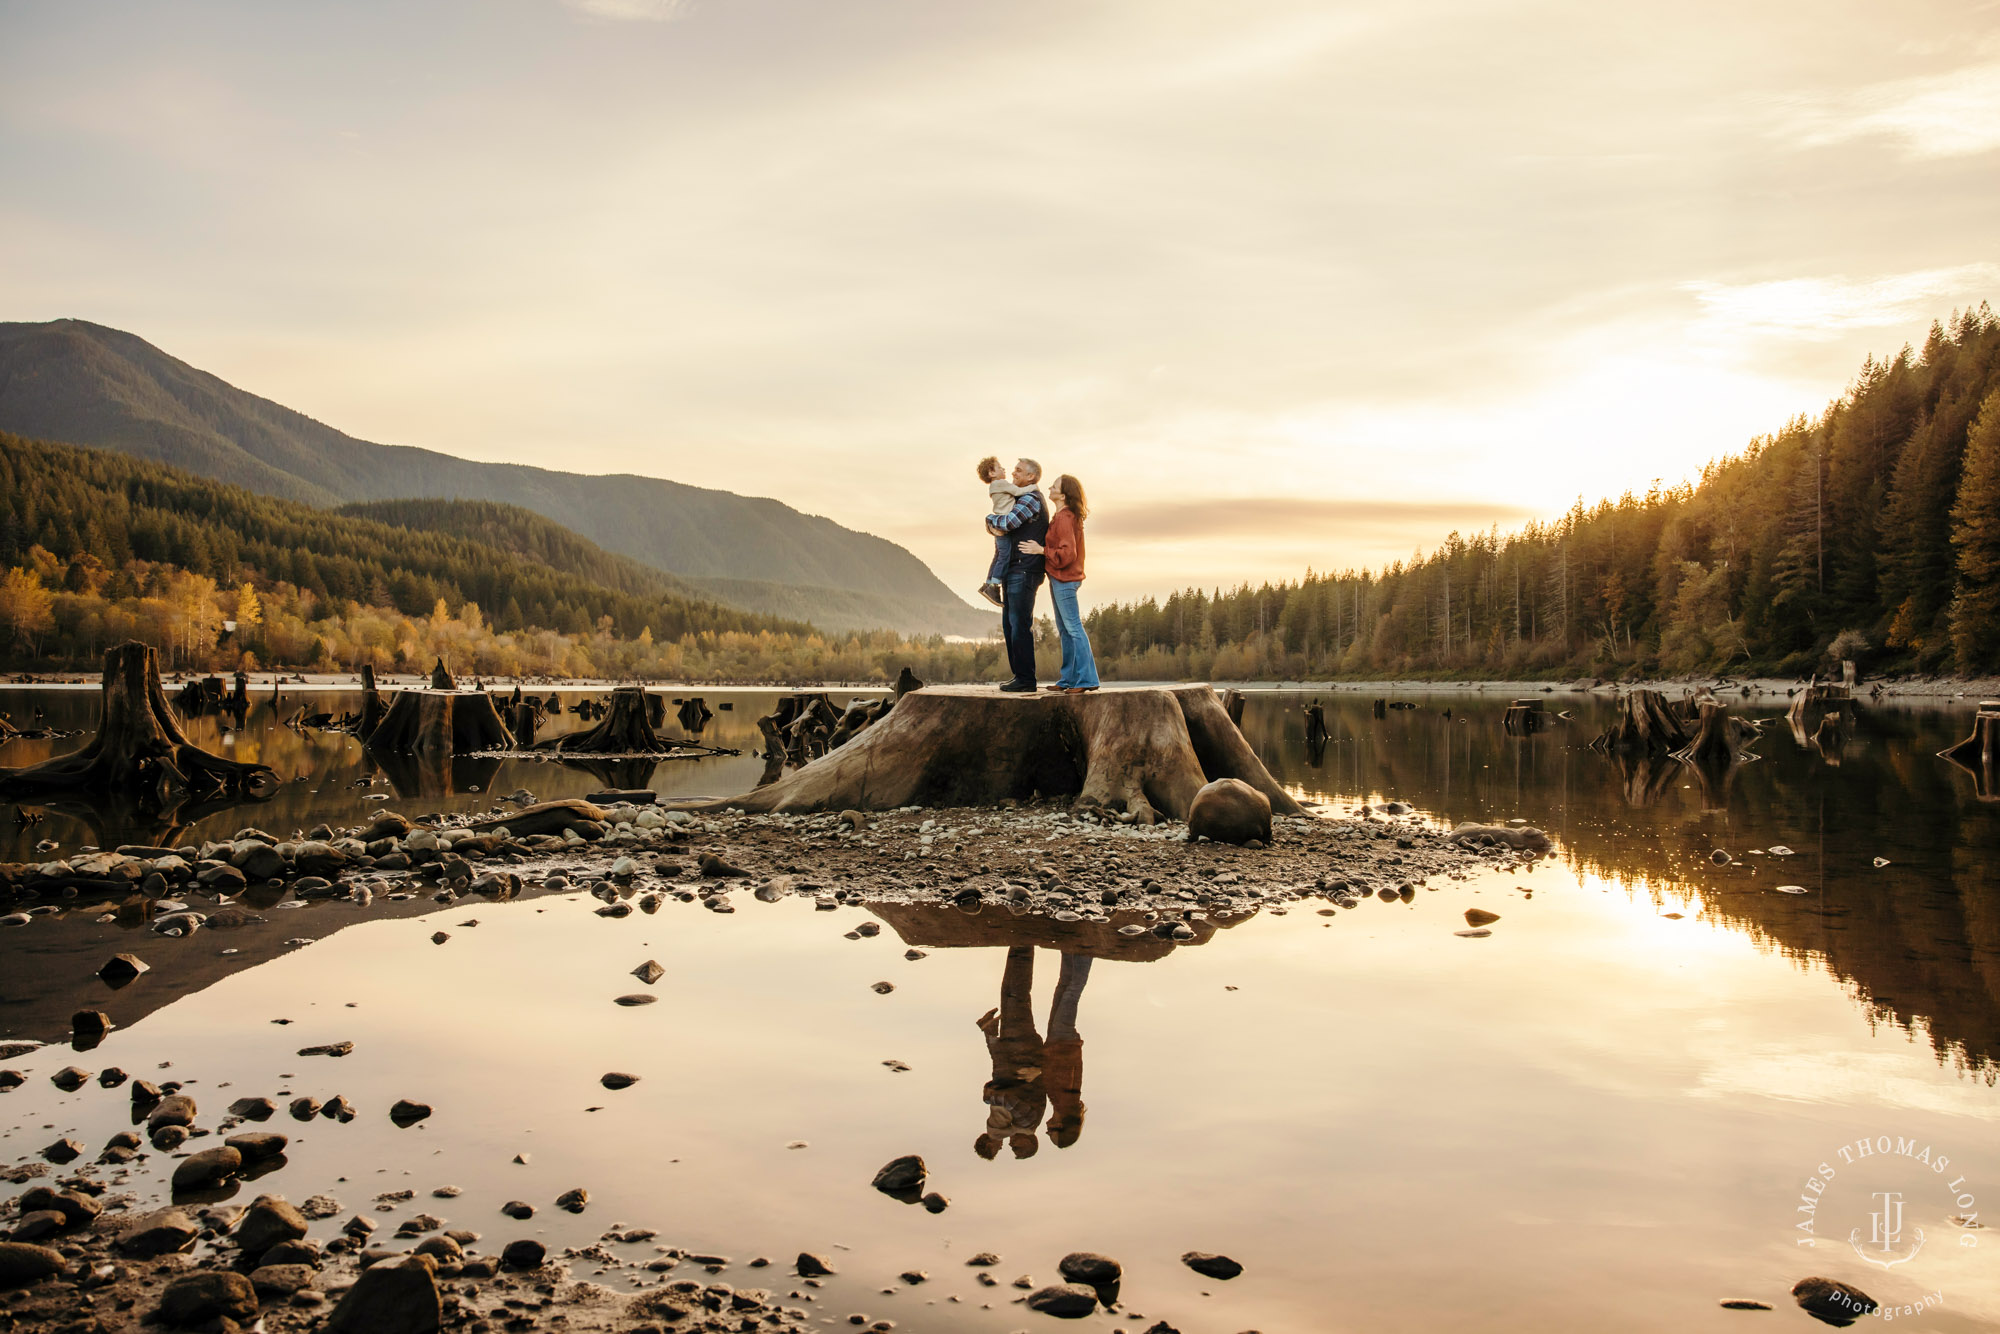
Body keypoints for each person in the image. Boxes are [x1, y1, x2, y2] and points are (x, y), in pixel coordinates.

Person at [1018, 474, 1098, 694]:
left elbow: (1068, 553)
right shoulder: (1063, 516)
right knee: (1064, 630)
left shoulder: (1065, 518)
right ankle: (1069, 679)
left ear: (1063, 495)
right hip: (1060, 578)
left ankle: (1086, 679)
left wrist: (1041, 550)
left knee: (1073, 628)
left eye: (1054, 486)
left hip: (1065, 579)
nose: (1050, 488)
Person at [986, 458, 1047, 693]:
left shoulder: (1031, 499)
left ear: (1031, 477)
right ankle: (1019, 676)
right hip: (1015, 569)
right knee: (1010, 625)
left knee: (1019, 624)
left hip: (1025, 569)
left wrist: (989, 520)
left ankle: (1026, 679)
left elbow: (1008, 523)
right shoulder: (1018, 498)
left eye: (1019, 470)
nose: (1013, 472)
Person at [974, 456, 1033, 608]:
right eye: (1000, 467)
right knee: (1004, 556)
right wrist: (1034, 488)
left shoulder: (994, 486)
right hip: (1003, 527)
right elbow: (1019, 491)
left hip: (998, 525)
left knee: (998, 554)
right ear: (992, 473)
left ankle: (988, 583)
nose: (1004, 469)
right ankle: (994, 586)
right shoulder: (1000, 484)